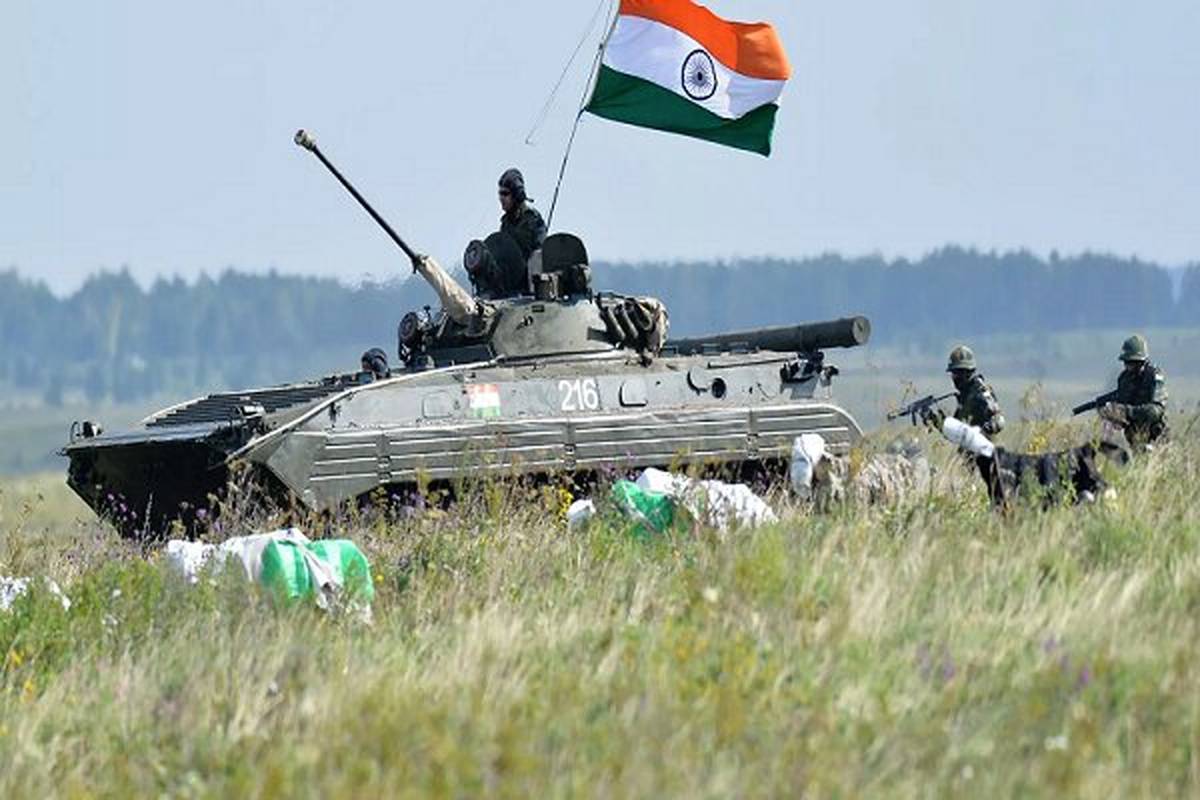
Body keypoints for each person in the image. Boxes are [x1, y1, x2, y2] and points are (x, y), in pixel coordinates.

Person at [1099, 334, 1168, 446]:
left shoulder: (1153, 376)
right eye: (1126, 362)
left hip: (1155, 438)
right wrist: (1112, 413)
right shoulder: (1124, 378)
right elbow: (1122, 404)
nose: (1127, 366)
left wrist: (1127, 411)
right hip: (1134, 438)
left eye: (1131, 362)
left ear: (1140, 362)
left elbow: (1156, 410)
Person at [945, 345, 1005, 438]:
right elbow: (955, 433)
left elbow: (998, 421)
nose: (953, 378)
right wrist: (936, 420)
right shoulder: (966, 395)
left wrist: (979, 434)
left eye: (955, 373)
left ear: (964, 373)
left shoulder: (980, 392)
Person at [497, 168, 546, 261]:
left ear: (517, 195)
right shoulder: (505, 223)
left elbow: (541, 250)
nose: (501, 198)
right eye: (500, 194)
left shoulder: (532, 219)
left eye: (505, 194)